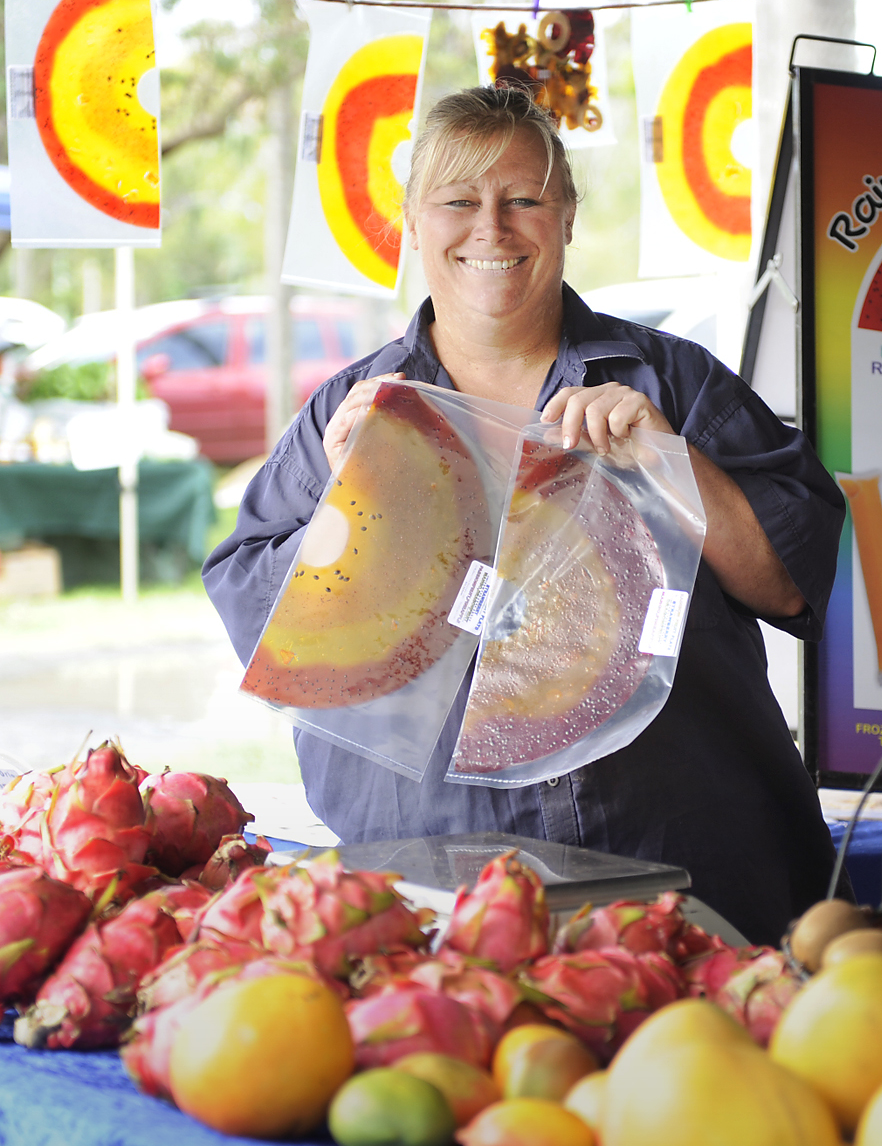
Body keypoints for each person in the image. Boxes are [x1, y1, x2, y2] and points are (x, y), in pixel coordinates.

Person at [204, 85, 845, 945]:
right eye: (459, 202)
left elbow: (794, 585)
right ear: (413, 223)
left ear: (568, 216)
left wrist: (670, 461)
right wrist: (347, 504)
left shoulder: (676, 385)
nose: (490, 229)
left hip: (683, 871)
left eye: (524, 200)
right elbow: (266, 622)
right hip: (433, 883)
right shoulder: (346, 414)